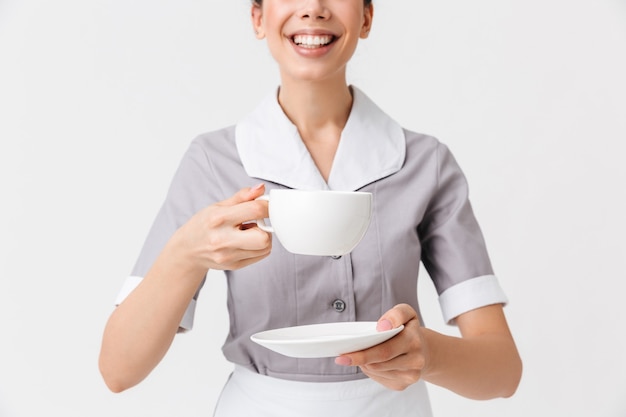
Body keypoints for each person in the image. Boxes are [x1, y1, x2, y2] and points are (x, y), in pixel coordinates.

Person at [98, 0, 522, 415]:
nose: (313, 8)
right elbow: (118, 370)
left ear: (367, 16)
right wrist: (185, 253)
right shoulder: (212, 161)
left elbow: (502, 372)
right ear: (258, 17)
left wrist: (427, 354)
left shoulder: (426, 163)